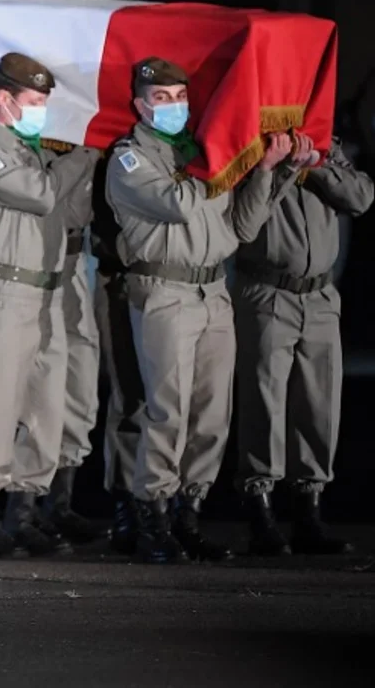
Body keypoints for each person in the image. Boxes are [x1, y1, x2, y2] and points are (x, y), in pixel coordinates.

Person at [106, 56, 290, 565]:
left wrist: (268, 171)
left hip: (213, 293)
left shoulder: (203, 153)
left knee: (212, 416)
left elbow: (243, 228)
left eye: (181, 98)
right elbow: (180, 204)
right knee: (168, 411)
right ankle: (153, 516)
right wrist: (219, 154)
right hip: (163, 292)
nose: (173, 107)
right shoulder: (130, 159)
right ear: (140, 105)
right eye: (161, 99)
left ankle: (189, 512)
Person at [0, 53, 98, 559]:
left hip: (48, 289)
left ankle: (26, 508)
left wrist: (74, 167)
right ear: (4, 98)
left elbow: (73, 211)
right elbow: (39, 196)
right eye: (35, 102)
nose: (43, 111)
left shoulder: (38, 154)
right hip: (5, 291)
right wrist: (84, 155)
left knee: (45, 405)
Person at [235, 133, 372, 555]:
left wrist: (316, 164)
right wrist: (280, 166)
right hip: (268, 288)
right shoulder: (254, 144)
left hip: (320, 295)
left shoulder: (326, 144)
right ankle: (260, 511)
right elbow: (247, 221)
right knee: (265, 401)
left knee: (318, 402)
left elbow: (360, 197)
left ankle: (308, 513)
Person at [42, 139, 111, 545]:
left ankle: (60, 502)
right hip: (40, 264)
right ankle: (24, 502)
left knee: (81, 387)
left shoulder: (94, 138)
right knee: (39, 392)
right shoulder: (37, 143)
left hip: (80, 260)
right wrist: (83, 154)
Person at [91, 164, 148, 555]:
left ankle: (180, 503)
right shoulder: (113, 145)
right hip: (122, 273)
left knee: (188, 402)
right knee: (130, 395)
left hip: (185, 274)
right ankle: (128, 501)